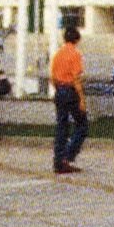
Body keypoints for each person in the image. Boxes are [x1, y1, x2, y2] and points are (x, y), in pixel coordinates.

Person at [48, 27, 87, 174]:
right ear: (77, 39)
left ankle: (58, 160)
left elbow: (52, 77)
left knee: (61, 126)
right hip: (71, 91)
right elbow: (76, 78)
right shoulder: (75, 54)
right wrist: (82, 99)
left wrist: (58, 89)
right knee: (82, 125)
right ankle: (67, 156)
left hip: (59, 90)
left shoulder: (57, 54)